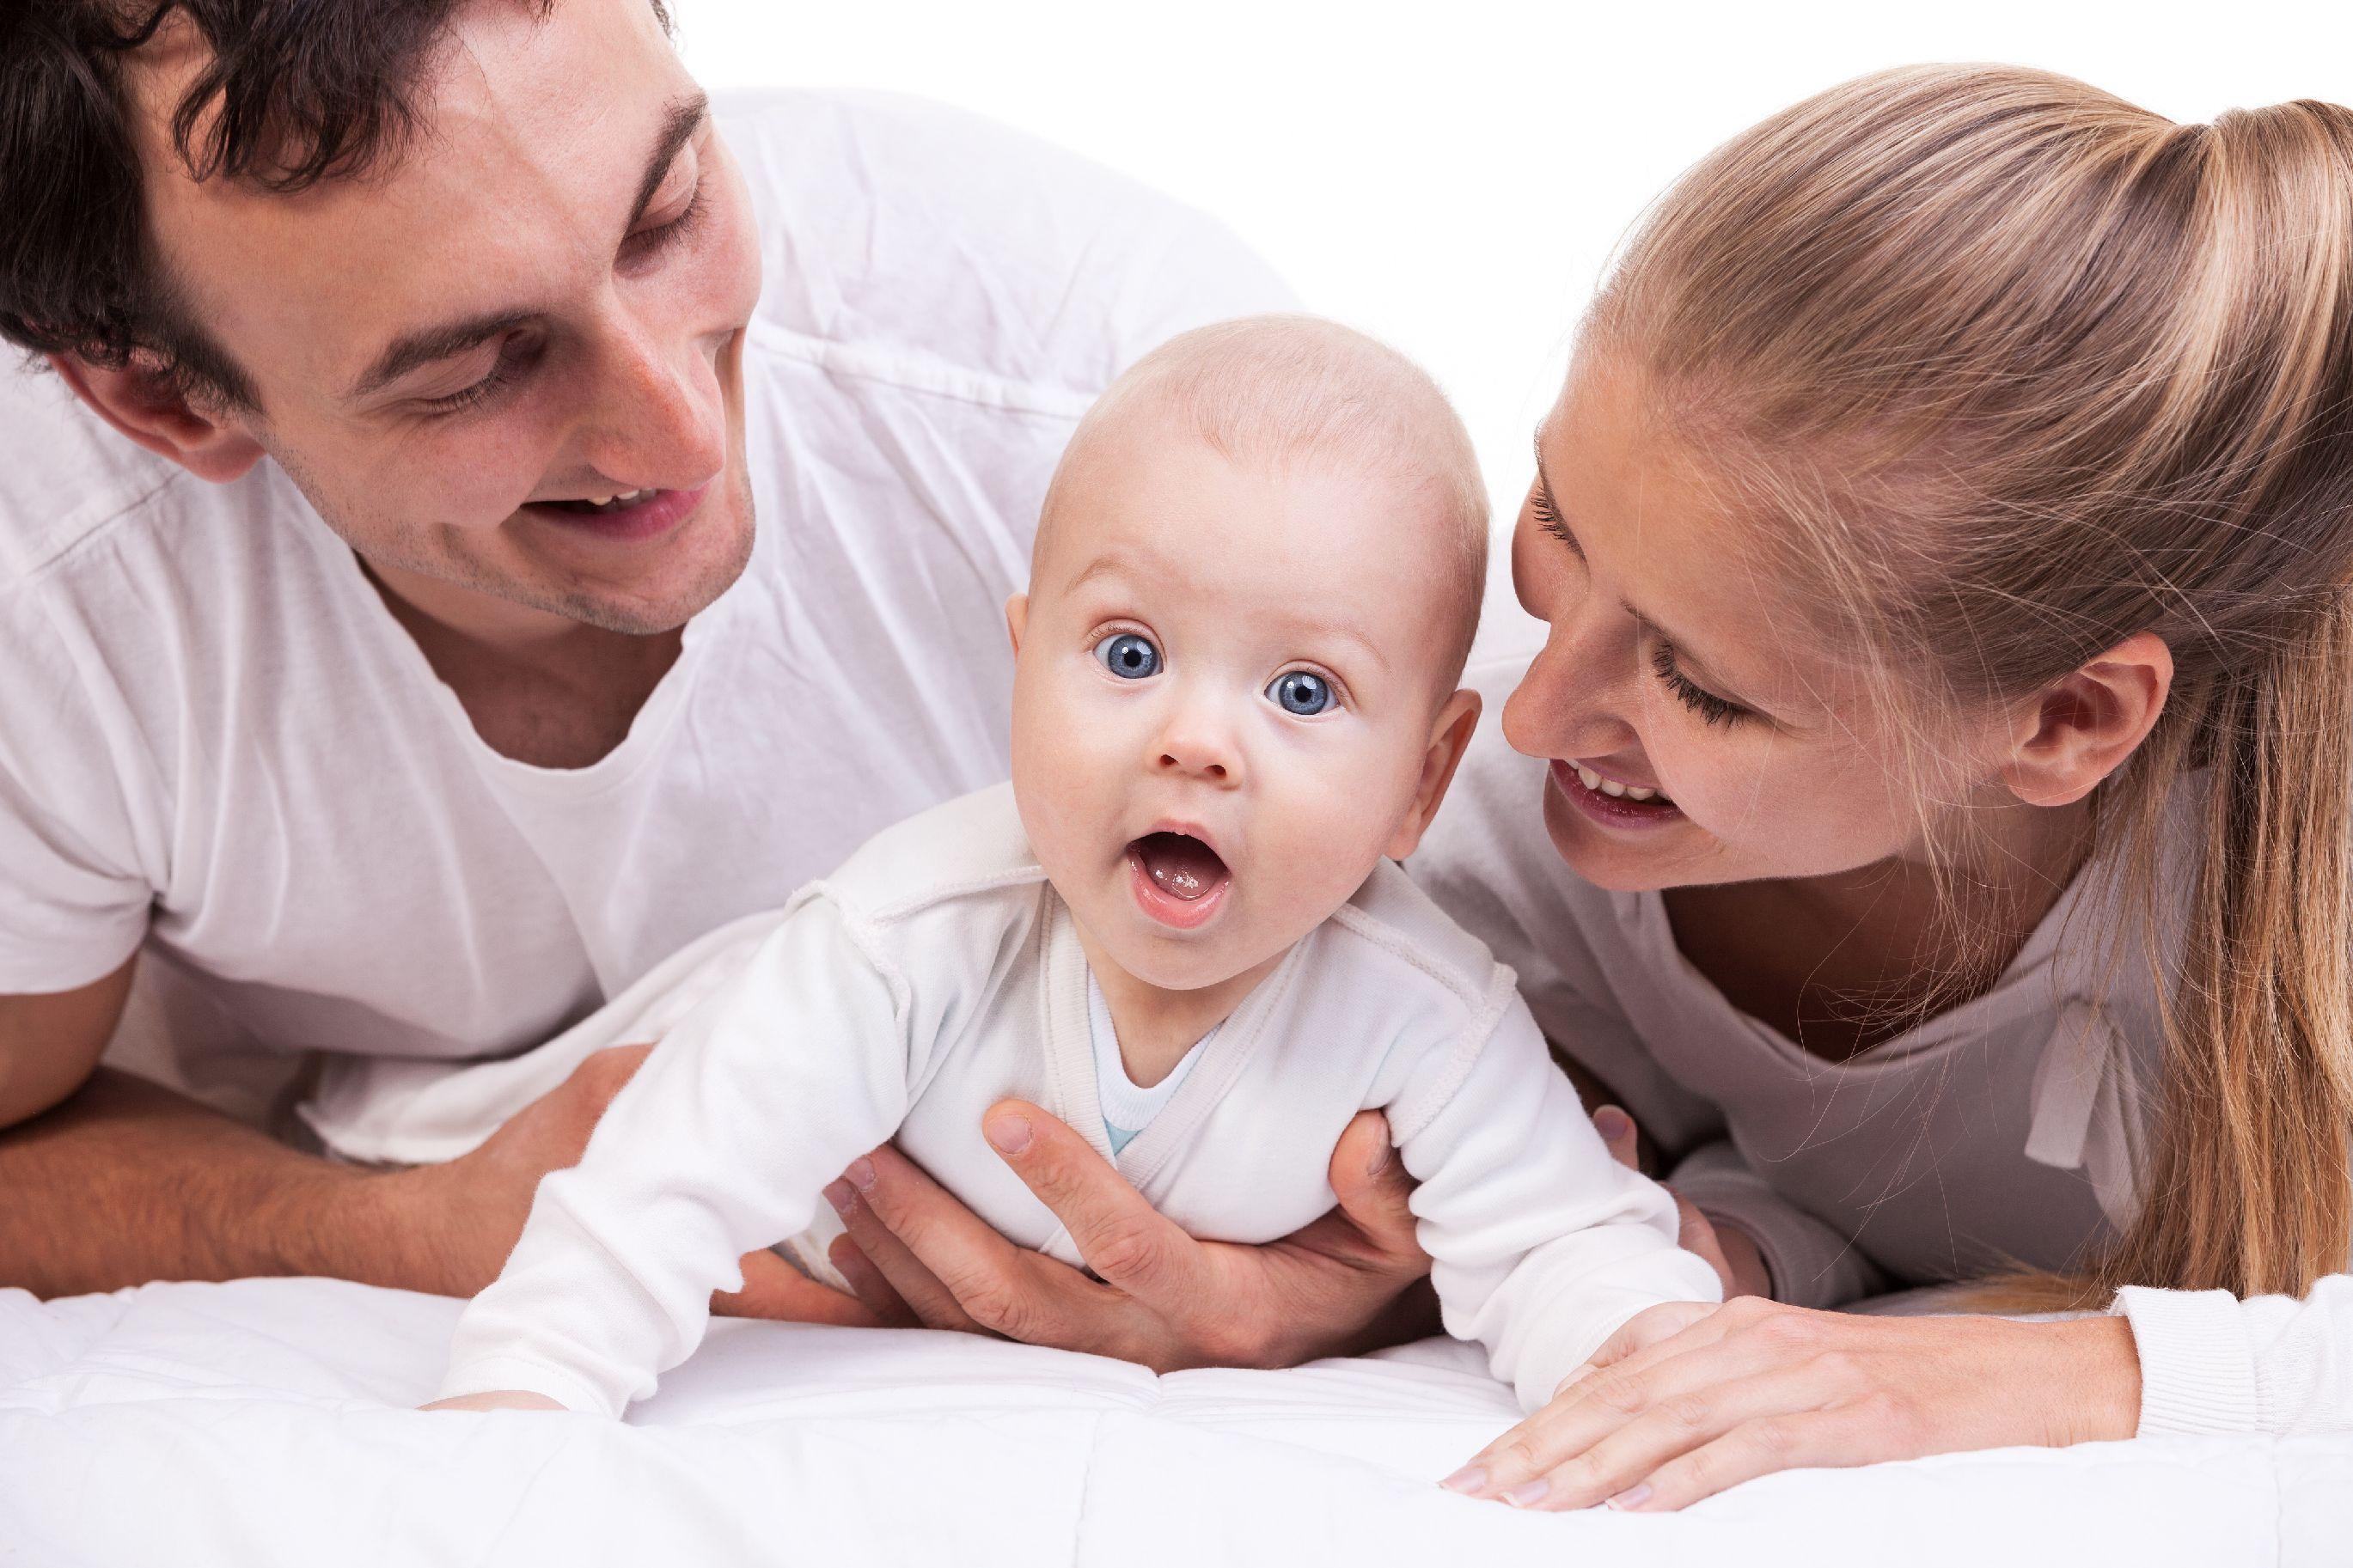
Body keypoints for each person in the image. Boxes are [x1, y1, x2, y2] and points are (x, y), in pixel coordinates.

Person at [810, 65, 2353, 1507]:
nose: (1535, 714)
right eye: (1557, 518)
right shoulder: (1429, 844)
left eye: (1699, 682)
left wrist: (2034, 1372)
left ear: (2069, 719)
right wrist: (1392, 1283)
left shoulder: (2285, 890)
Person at [0, 0, 1453, 1359]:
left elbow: (1550, 1060)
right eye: (480, 365)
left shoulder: (1129, 410)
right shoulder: (52, 596)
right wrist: (386, 1231)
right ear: (164, 397)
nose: (680, 430)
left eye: (667, 212)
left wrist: (1318, 1295)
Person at [401, 317, 1719, 1419]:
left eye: (1302, 690)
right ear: (1024, 666)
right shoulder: (906, 930)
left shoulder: (1428, 1013)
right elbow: (662, 1181)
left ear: (1421, 781)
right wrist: (530, 1385)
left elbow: (1558, 1244)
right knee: (420, 1127)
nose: (1196, 743)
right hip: (645, 1074)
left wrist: (1648, 1371)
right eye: (1131, 655)